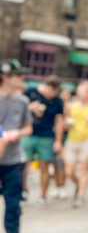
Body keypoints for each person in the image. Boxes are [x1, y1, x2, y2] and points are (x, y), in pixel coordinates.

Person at [0, 60, 33, 233]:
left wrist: (17, 133)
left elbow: (28, 127)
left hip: (13, 162)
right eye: (16, 75)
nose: (20, 79)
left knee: (13, 205)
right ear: (5, 77)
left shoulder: (21, 101)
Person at [22, 75, 65, 206]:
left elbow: (59, 121)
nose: (50, 95)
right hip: (28, 134)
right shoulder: (30, 93)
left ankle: (43, 195)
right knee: (24, 164)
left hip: (46, 136)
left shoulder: (57, 101)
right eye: (49, 91)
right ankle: (23, 190)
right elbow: (19, 112)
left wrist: (58, 140)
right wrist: (29, 107)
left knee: (44, 166)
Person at [64, 81, 88, 208]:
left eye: (83, 91)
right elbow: (66, 123)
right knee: (69, 171)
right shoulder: (71, 106)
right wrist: (68, 124)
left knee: (84, 169)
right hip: (72, 140)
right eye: (79, 90)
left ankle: (80, 196)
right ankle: (79, 184)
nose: (80, 93)